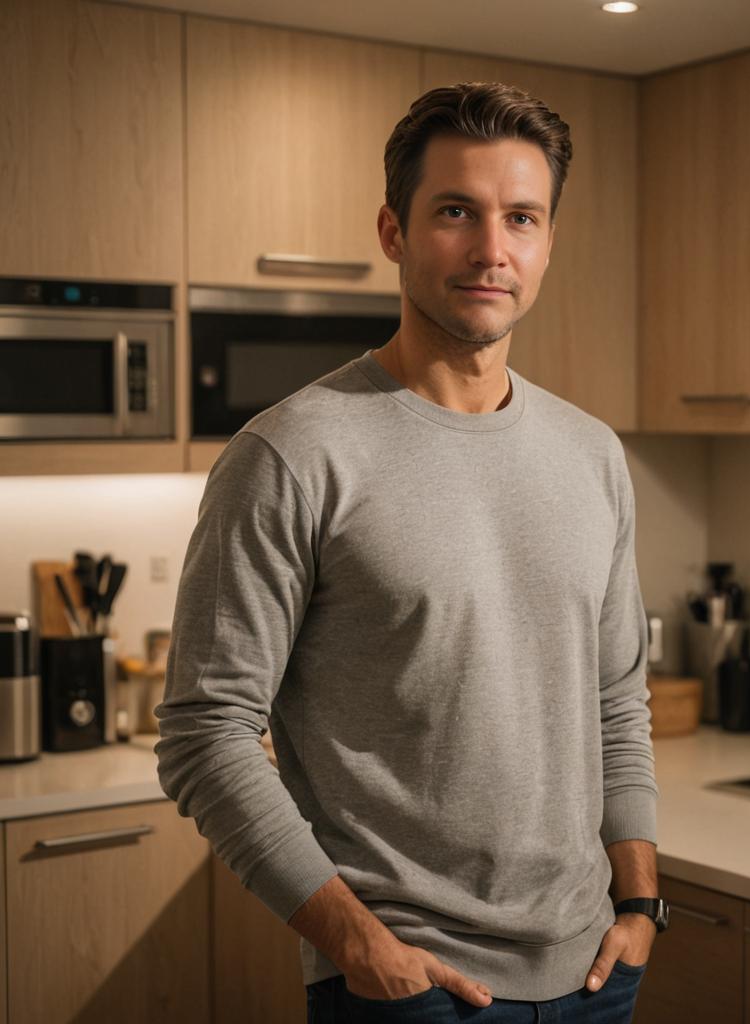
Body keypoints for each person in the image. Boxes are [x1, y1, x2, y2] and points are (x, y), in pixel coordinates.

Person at [156, 81, 666, 1024]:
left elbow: (614, 702)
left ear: (549, 241)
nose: (491, 250)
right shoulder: (292, 454)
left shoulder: (592, 453)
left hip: (595, 973)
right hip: (408, 989)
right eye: (456, 213)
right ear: (393, 231)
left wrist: (638, 903)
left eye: (522, 217)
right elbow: (205, 734)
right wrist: (356, 943)